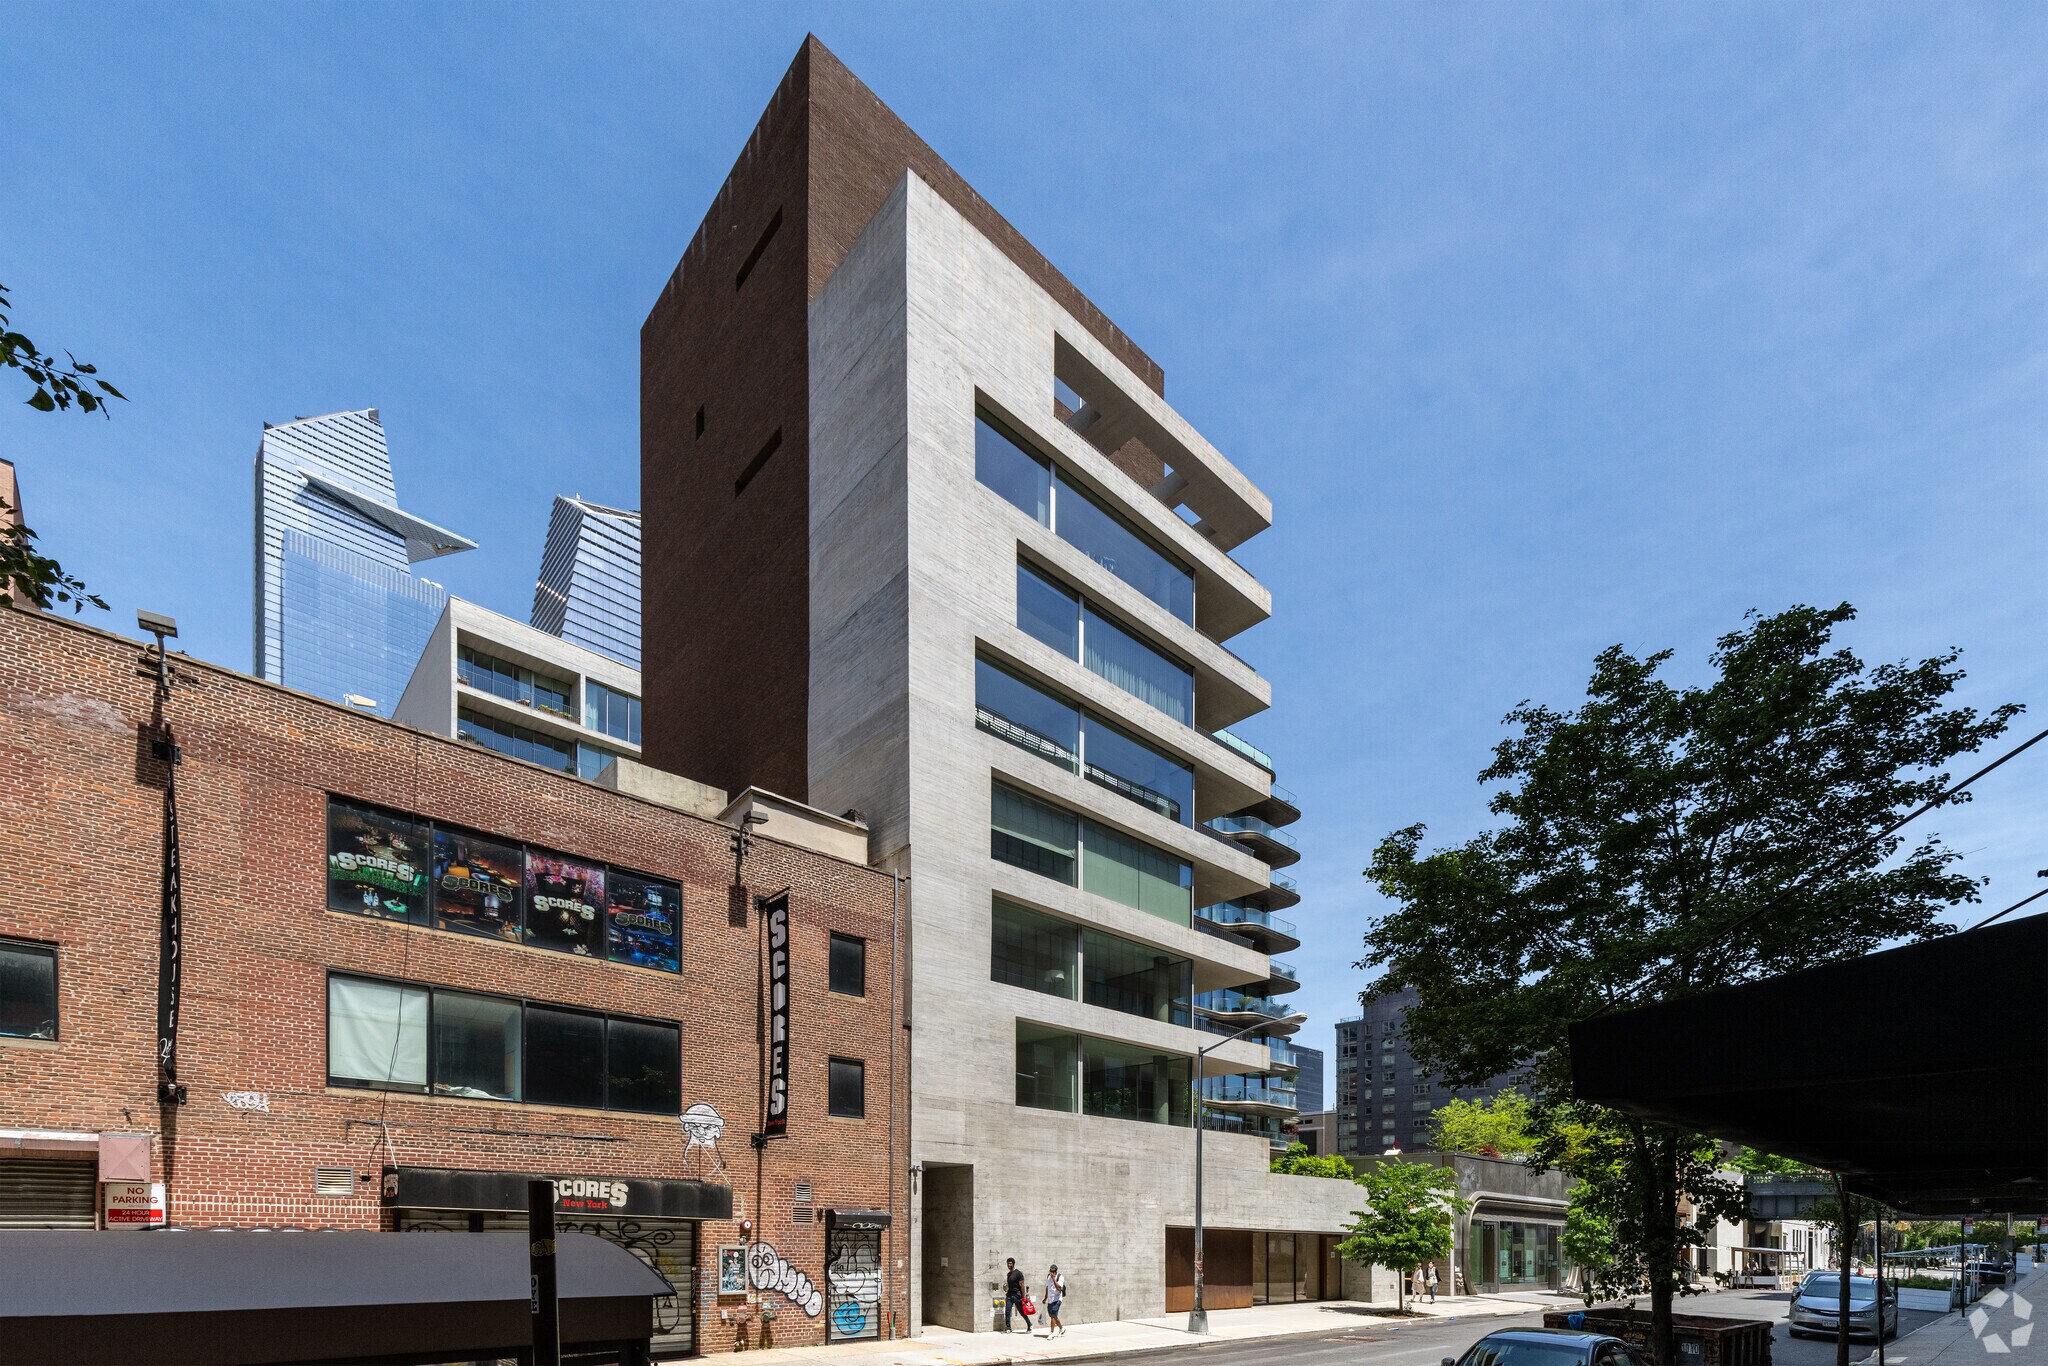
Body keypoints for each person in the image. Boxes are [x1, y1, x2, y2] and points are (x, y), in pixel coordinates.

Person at [1004, 1258, 1028, 1333]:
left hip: (1017, 1295)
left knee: (1021, 1312)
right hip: (1009, 1295)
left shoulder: (1018, 1273)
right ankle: (1008, 1328)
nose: (1009, 1265)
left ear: (1013, 1264)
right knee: (1007, 1311)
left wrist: (1023, 1297)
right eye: (1008, 1263)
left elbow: (1022, 1285)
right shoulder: (1008, 1274)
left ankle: (1029, 1325)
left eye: (1010, 1263)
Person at [1042, 1264, 1067, 1337]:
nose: (1052, 1273)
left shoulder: (1060, 1277)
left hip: (1057, 1299)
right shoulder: (1048, 1276)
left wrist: (1053, 1279)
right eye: (1051, 1271)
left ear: (1056, 1272)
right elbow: (1047, 1288)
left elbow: (1058, 1288)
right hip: (1050, 1300)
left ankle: (1052, 1333)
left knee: (1053, 1315)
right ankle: (1061, 1328)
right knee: (1053, 1316)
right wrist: (1045, 1298)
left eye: (1053, 1272)